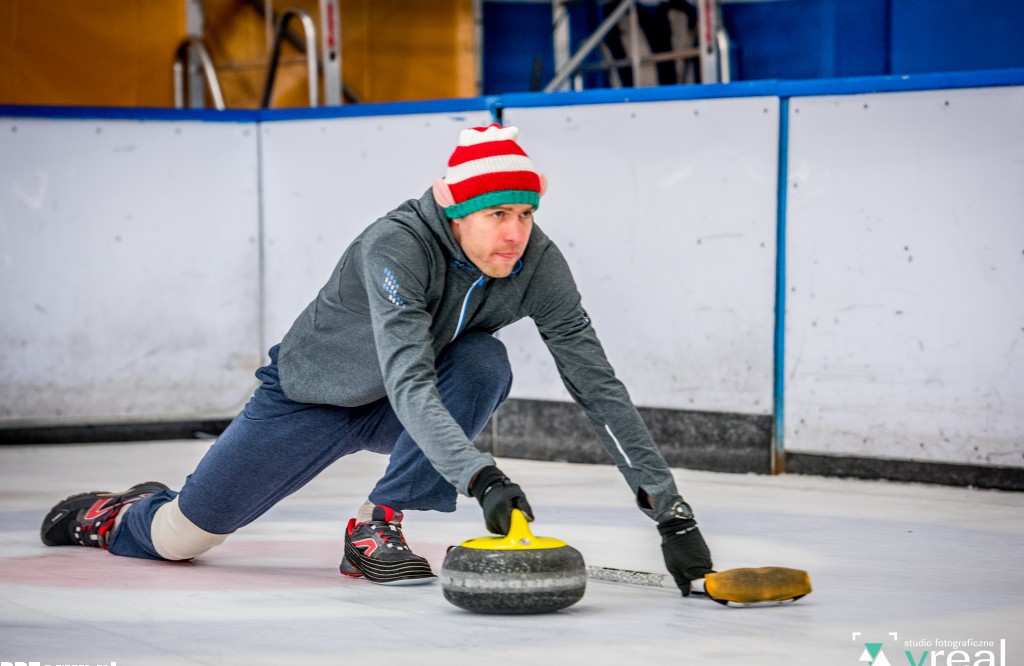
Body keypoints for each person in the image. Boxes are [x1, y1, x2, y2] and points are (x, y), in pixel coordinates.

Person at [40, 124, 713, 594]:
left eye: (527, 213)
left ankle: (375, 523)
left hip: (399, 408)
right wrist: (480, 478)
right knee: (182, 539)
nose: (516, 232)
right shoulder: (397, 245)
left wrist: (670, 510)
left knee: (483, 361)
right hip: (309, 397)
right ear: (458, 214)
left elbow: (597, 384)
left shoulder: (537, 263)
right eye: (499, 214)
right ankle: (115, 515)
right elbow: (408, 374)